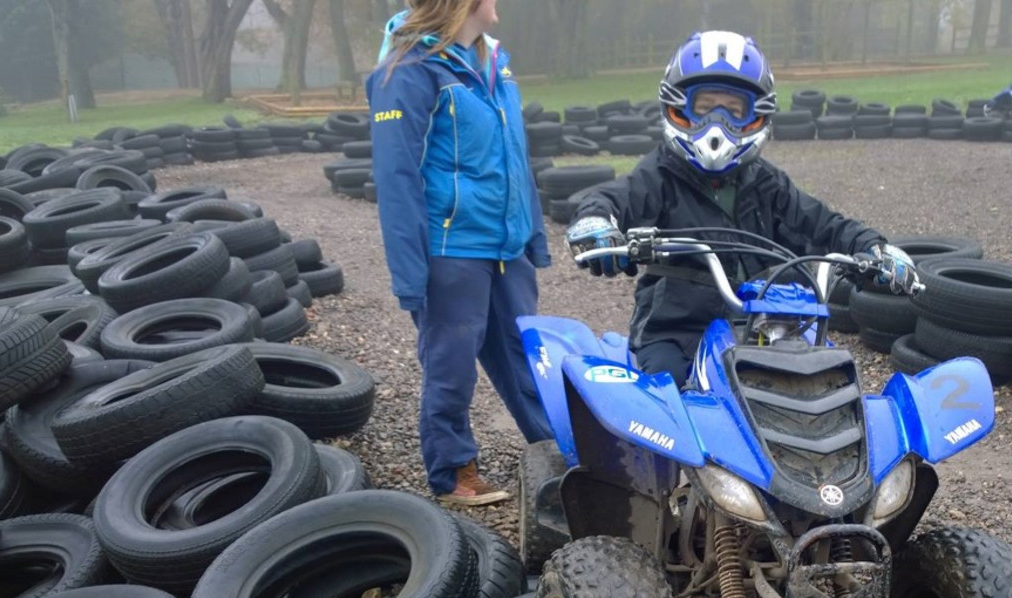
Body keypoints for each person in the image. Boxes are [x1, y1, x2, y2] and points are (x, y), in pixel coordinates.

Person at [564, 30, 919, 381]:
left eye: (734, 110)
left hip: (763, 322)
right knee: (664, 395)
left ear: (755, 115)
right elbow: (611, 198)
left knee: (817, 379)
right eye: (704, 108)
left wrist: (874, 247)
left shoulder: (767, 182)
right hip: (677, 329)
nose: (717, 123)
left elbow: (823, 223)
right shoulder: (658, 175)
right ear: (678, 106)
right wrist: (597, 224)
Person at [367, 0, 554, 507]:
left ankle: (558, 457)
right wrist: (410, 274)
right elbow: (396, 178)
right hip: (451, 251)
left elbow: (516, 155)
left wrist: (532, 234)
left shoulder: (496, 61)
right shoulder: (407, 72)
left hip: (506, 247)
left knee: (528, 359)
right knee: (451, 366)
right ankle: (453, 472)